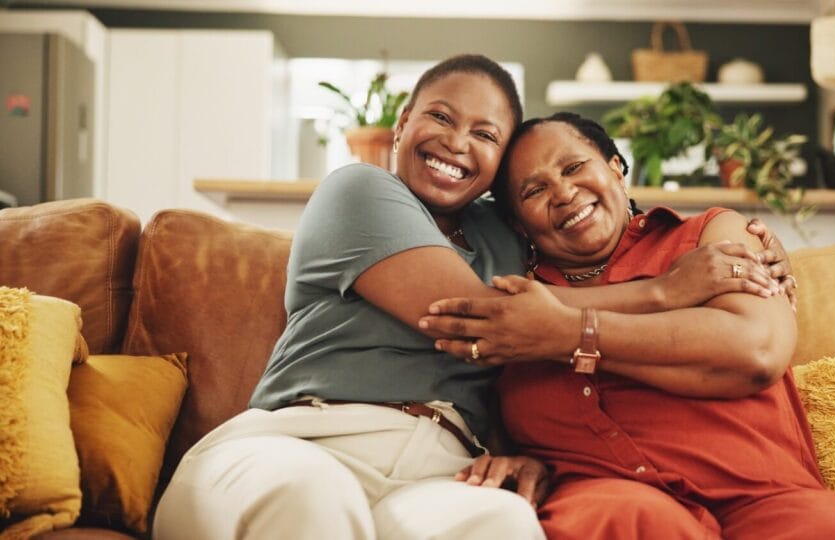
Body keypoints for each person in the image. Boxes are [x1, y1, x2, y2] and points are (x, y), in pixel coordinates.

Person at [153, 54, 793, 539]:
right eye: (440, 116)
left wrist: (759, 246)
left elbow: (595, 252)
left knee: (502, 524)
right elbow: (484, 323)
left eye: (486, 135)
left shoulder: (513, 234)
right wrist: (664, 291)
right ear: (403, 123)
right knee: (309, 499)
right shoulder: (361, 193)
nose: (458, 143)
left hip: (443, 468)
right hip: (302, 441)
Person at [419, 113, 835, 539]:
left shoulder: (710, 237)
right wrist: (515, 457)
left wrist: (570, 333)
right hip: (607, 500)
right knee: (623, 519)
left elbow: (756, 351)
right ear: (519, 224)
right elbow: (486, 403)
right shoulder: (514, 303)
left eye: (573, 167)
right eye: (534, 190)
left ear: (616, 168)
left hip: (763, 495)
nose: (563, 194)